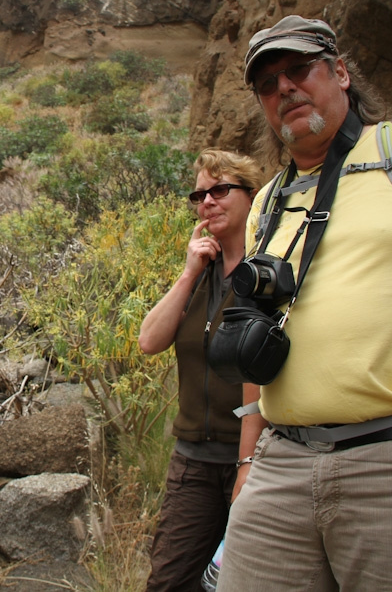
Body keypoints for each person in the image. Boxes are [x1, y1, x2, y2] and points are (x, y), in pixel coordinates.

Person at [216, 14, 392, 591]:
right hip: (281, 465)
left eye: (299, 69)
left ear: (341, 73)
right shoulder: (268, 202)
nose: (284, 88)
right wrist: (249, 462)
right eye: (267, 84)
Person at [139, 148, 267, 591]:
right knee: (170, 581)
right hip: (194, 461)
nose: (207, 201)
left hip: (259, 460)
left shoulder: (269, 272)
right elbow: (149, 341)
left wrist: (248, 462)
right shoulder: (203, 276)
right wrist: (189, 272)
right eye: (199, 195)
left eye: (220, 190)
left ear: (252, 196)